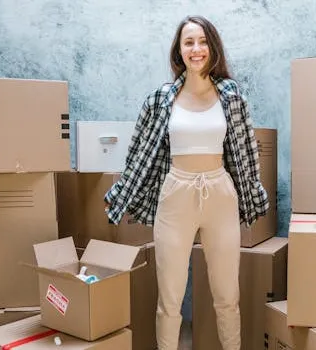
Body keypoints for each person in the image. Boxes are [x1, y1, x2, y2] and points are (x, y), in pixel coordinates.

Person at [104, 15, 269, 350]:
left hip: (220, 194)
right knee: (170, 299)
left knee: (227, 297)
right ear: (179, 51)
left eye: (203, 41)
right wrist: (121, 192)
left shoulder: (232, 96)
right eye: (189, 42)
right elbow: (138, 153)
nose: (197, 49)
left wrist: (253, 192)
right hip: (175, 194)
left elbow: (248, 152)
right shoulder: (160, 99)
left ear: (213, 47)